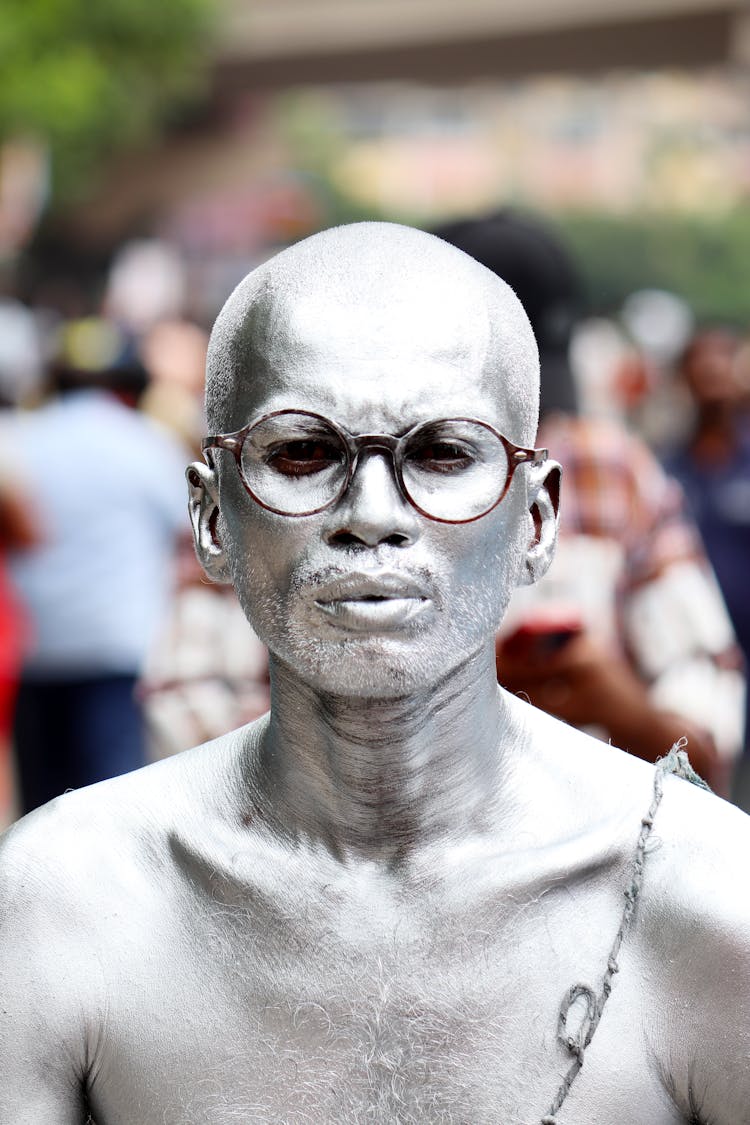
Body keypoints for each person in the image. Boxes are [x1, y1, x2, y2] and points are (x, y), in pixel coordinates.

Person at [0, 223, 748, 1125]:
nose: (373, 514)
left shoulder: (708, 904)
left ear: (537, 520)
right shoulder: (64, 904)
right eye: (303, 454)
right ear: (210, 518)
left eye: (442, 453)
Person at [433, 212, 743, 792]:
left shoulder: (611, 468)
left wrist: (621, 708)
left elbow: (709, 737)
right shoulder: (352, 483)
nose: (521, 440)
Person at [5, 317, 188, 812]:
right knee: (108, 811)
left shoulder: (20, 438)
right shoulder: (146, 443)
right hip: (117, 650)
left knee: (40, 817)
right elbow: (190, 535)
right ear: (130, 388)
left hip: (34, 650)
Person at [665, 326, 750, 806]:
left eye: (725, 357)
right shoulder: (665, 466)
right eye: (701, 360)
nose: (713, 371)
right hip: (694, 669)